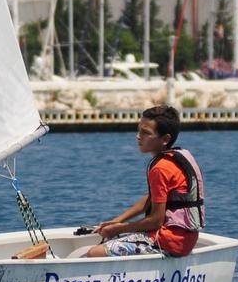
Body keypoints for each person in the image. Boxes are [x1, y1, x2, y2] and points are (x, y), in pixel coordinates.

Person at [82, 105, 204, 258]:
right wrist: (117, 221)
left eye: (146, 133)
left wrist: (118, 229)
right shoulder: (180, 157)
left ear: (165, 139)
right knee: (112, 239)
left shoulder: (161, 168)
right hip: (186, 239)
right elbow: (152, 198)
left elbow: (155, 221)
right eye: (139, 130)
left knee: (94, 253)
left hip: (169, 241)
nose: (138, 136)